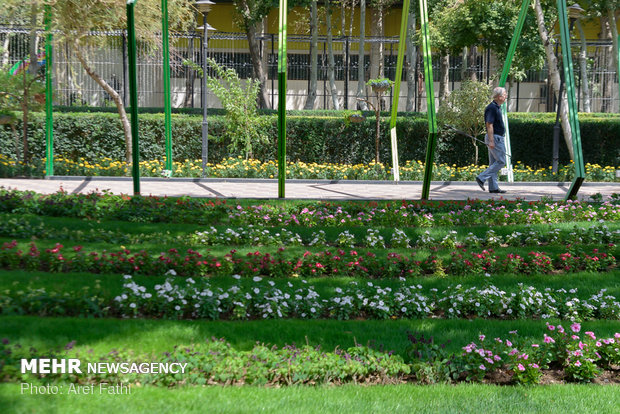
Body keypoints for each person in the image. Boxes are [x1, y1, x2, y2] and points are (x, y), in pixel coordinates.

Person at [476, 87, 508, 194]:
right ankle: (481, 177)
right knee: (501, 161)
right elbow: (489, 124)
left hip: (496, 138)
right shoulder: (492, 108)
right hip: (495, 138)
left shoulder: (497, 107)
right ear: (499, 97)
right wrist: (491, 140)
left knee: (493, 163)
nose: (506, 96)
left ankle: (493, 187)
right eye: (504, 94)